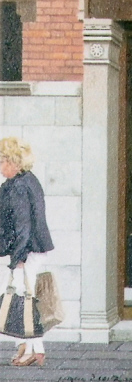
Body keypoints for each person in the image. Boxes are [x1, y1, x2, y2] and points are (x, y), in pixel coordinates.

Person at [0, 137, 54, 366]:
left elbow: (23, 225)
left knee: (25, 298)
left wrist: (19, 257)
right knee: (23, 296)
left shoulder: (19, 187)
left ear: (14, 162)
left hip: (27, 250)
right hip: (31, 248)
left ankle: (34, 349)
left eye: (2, 161)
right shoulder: (25, 181)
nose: (0, 166)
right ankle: (24, 344)